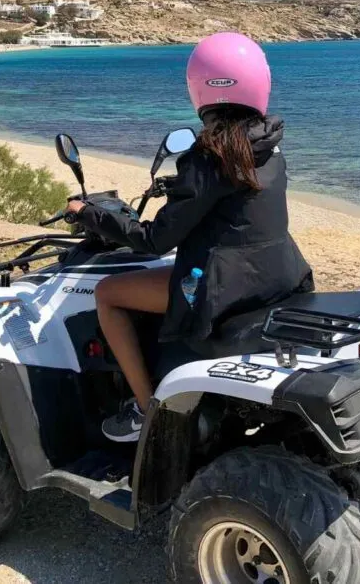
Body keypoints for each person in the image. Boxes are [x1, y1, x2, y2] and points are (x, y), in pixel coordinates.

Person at [66, 32, 313, 442]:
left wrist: (89, 213)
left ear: (201, 85)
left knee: (108, 292)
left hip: (221, 289)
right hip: (278, 276)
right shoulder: (271, 149)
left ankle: (145, 410)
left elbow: (155, 240)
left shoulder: (209, 157)